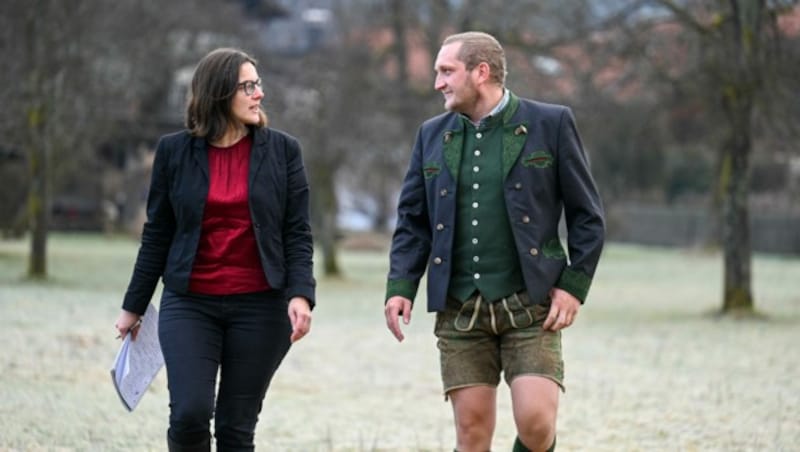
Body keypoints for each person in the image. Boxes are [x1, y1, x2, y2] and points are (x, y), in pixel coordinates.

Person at [384, 32, 605, 452]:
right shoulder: (432, 135)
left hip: (531, 304)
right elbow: (413, 221)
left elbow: (587, 216)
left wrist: (574, 287)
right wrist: (400, 287)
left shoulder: (550, 123)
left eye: (446, 71)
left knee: (537, 426)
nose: (438, 83)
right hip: (460, 307)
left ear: (481, 72)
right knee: (472, 436)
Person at [114, 47, 315, 452]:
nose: (259, 94)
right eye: (248, 86)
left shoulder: (283, 151)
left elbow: (297, 231)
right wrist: (133, 306)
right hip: (191, 302)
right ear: (219, 93)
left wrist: (300, 294)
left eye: (258, 84)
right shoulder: (174, 152)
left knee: (236, 430)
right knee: (189, 414)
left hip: (261, 305)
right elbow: (158, 232)